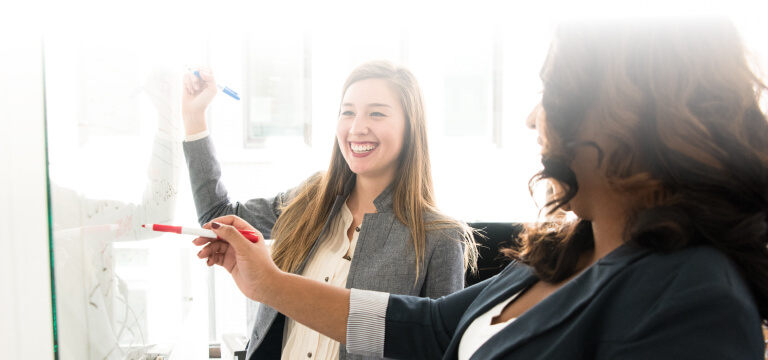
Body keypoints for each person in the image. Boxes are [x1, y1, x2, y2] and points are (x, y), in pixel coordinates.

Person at [193, 17, 768, 359]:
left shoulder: (694, 297)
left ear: (627, 114)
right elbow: (432, 325)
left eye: (553, 91)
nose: (532, 118)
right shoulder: (560, 255)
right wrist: (268, 283)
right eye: (348, 112)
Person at [181, 60, 477, 359]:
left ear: (411, 127)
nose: (357, 127)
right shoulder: (312, 199)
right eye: (347, 112)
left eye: (376, 113)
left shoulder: (440, 237)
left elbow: (444, 349)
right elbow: (217, 218)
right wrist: (194, 116)